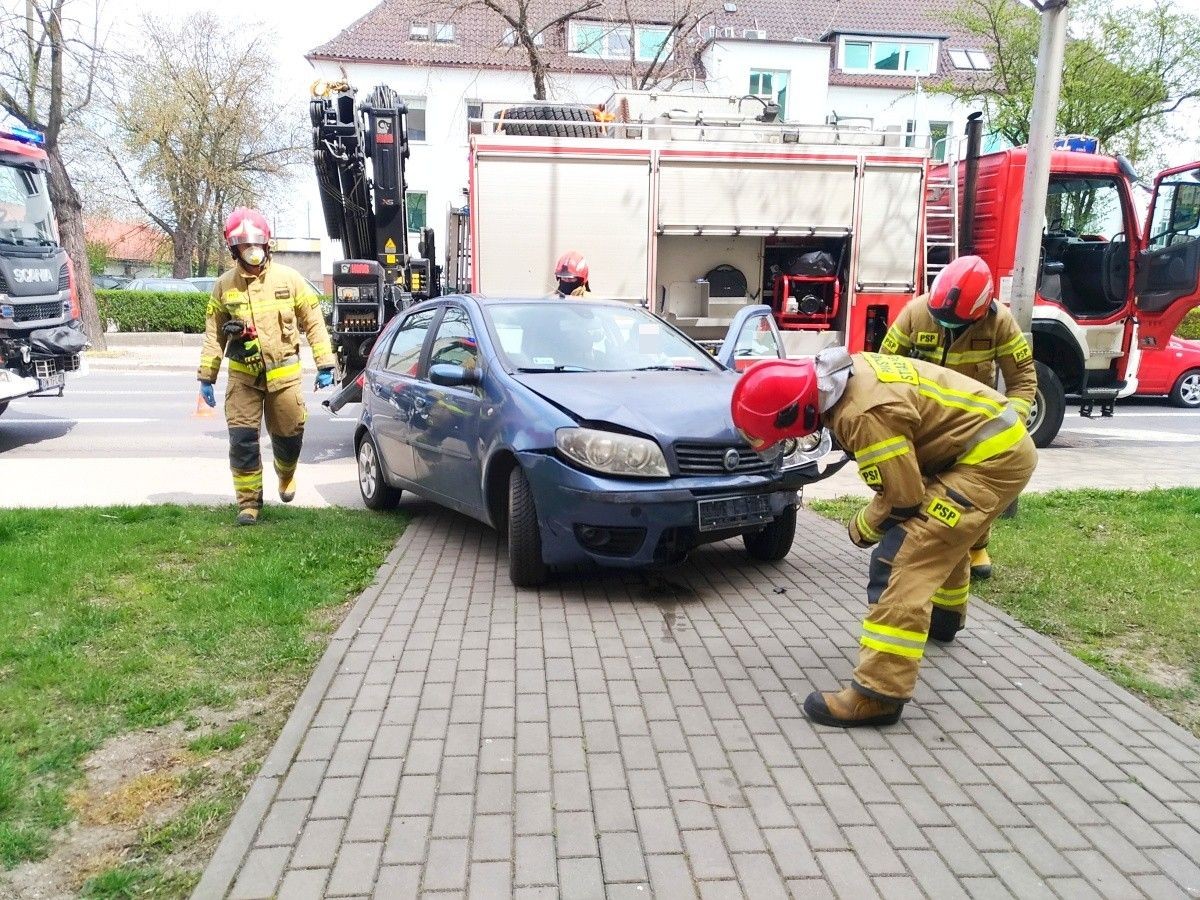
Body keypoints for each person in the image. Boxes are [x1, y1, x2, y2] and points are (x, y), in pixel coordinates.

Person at [730, 348, 1036, 727]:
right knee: (944, 537)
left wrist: (863, 527)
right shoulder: (843, 377)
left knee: (902, 557)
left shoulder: (861, 415)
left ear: (795, 412)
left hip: (989, 462)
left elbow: (902, 498)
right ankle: (944, 618)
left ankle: (878, 695)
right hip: (983, 447)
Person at [879, 255, 1036, 580]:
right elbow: (883, 367)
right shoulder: (916, 314)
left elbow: (1022, 380)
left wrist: (1010, 425)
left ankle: (976, 545)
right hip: (925, 422)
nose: (946, 324)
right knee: (917, 484)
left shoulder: (1000, 322)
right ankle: (912, 541)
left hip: (975, 426)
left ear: (983, 309)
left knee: (973, 491)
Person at [197, 207, 337, 525]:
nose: (253, 250)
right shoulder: (224, 287)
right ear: (235, 249)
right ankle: (248, 504)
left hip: (284, 378)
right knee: (242, 441)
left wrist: (325, 364)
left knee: (289, 438)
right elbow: (213, 335)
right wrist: (207, 376)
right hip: (243, 378)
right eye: (246, 245)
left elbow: (313, 323)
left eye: (258, 243)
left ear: (267, 243)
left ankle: (286, 474)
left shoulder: (290, 280)